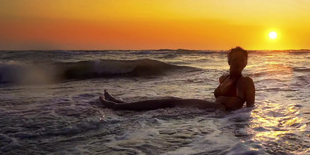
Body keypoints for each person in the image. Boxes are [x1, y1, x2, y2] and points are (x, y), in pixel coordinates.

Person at [99, 46, 255, 111]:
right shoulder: (223, 78)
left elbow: (249, 110)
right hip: (211, 111)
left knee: (170, 101)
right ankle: (121, 104)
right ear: (229, 61)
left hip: (220, 112)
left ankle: (118, 107)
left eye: (241, 60)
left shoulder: (246, 82)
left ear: (246, 62)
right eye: (234, 59)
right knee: (168, 102)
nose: (238, 63)